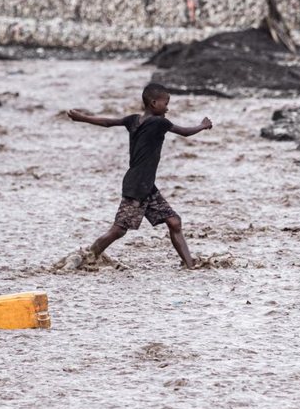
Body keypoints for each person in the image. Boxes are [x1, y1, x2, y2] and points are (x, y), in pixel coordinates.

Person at [67, 83, 213, 269]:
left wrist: (83, 118)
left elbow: (107, 122)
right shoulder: (160, 123)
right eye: (165, 103)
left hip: (146, 186)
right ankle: (86, 258)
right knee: (118, 230)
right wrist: (203, 125)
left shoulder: (133, 120)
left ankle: (190, 266)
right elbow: (184, 132)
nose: (167, 108)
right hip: (137, 186)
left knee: (174, 222)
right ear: (153, 103)